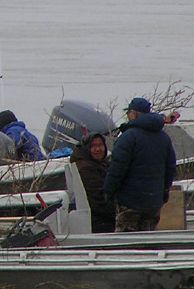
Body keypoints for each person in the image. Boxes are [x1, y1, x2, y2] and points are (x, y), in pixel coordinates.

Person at [102, 97, 176, 232]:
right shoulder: (163, 137)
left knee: (126, 244)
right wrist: (164, 191)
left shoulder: (128, 137)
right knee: (148, 242)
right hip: (154, 202)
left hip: (130, 202)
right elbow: (170, 167)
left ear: (133, 114)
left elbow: (117, 168)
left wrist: (108, 191)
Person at [69, 132, 114, 233]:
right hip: (95, 220)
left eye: (100, 145)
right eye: (93, 146)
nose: (97, 149)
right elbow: (98, 200)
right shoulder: (85, 169)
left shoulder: (102, 163)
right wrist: (117, 212)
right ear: (86, 148)